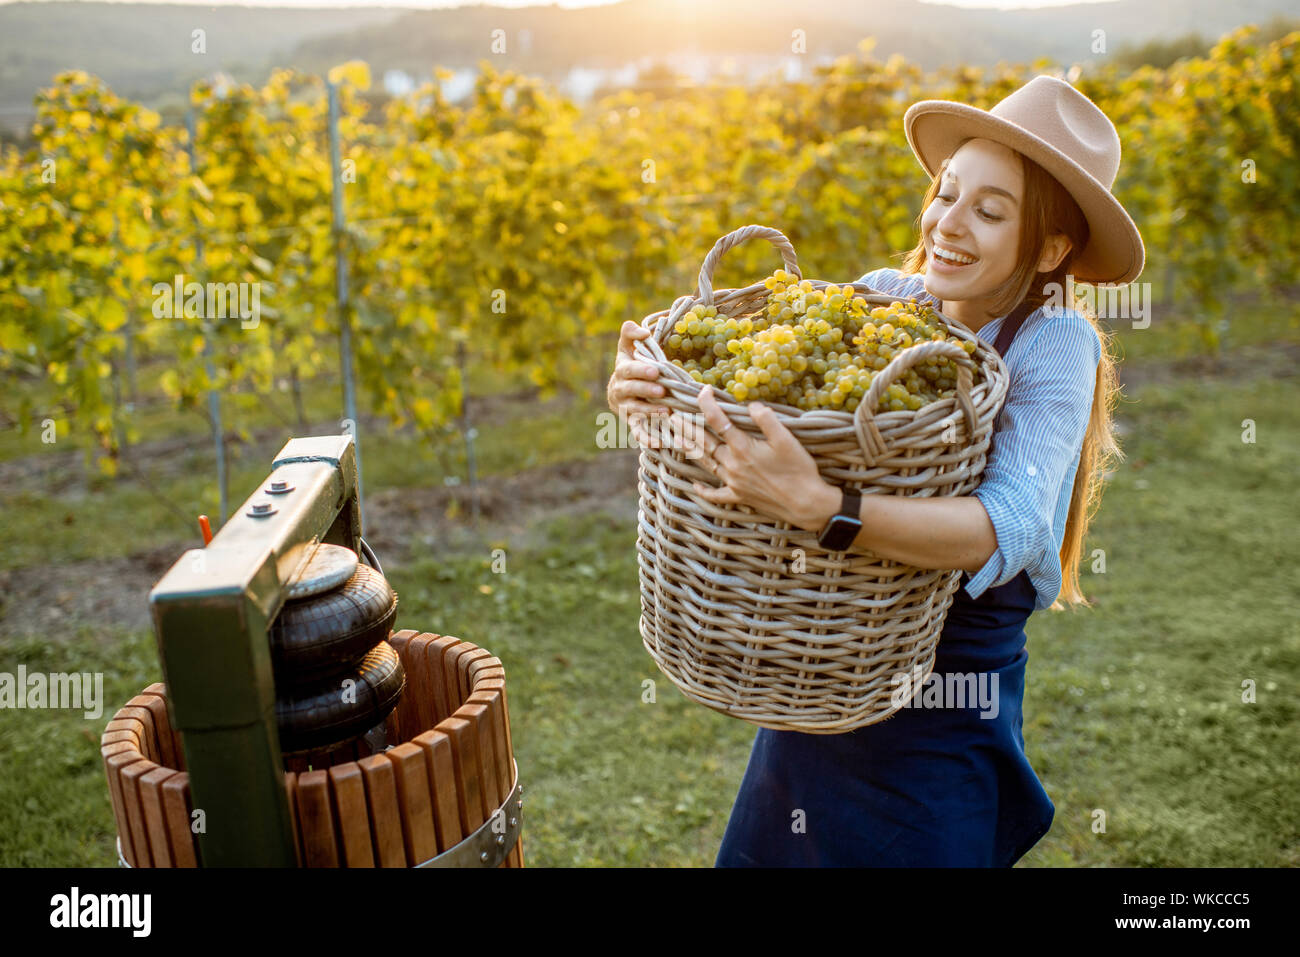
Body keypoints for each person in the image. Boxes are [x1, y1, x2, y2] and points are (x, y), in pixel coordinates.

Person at [606, 74, 1144, 866]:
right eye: (946, 193)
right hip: (822, 667)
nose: (947, 224)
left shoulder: (1053, 337)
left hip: (940, 706)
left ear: (1052, 248)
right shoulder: (887, 298)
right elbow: (757, 412)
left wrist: (830, 509)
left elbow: (1012, 522)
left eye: (989, 211)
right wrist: (656, 395)